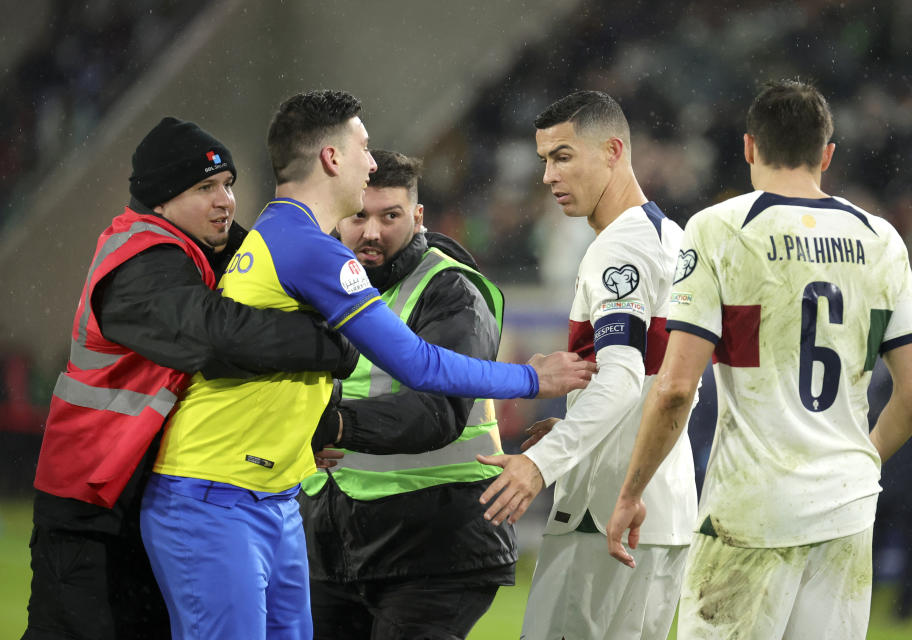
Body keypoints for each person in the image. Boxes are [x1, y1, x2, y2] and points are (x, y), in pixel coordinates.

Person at [139, 90, 595, 640]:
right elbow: (419, 364)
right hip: (216, 492)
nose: (371, 162)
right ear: (332, 159)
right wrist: (530, 378)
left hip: (272, 495)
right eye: (363, 147)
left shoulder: (280, 235)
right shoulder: (309, 249)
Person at [607, 80, 912, 640]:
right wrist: (856, 467)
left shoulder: (719, 229)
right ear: (826, 154)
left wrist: (631, 492)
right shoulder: (882, 240)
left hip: (750, 508)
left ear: (749, 147)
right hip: (847, 511)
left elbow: (677, 387)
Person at [22, 117, 358, 640]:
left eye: (228, 184)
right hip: (91, 508)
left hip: (149, 493)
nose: (225, 200)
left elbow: (293, 294)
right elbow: (221, 339)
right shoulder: (138, 258)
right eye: (205, 188)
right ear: (161, 199)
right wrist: (337, 345)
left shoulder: (210, 250)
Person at [477, 90, 698, 639]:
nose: (548, 176)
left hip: (606, 517)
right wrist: (578, 423)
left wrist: (541, 462)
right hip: (665, 510)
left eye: (564, 156)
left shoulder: (615, 252)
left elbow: (622, 377)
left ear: (613, 151)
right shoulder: (674, 238)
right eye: (544, 160)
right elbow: (657, 377)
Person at [299, 148, 517, 639]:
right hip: (333, 545)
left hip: (438, 545)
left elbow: (439, 411)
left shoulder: (451, 291)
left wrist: (333, 426)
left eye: (390, 216)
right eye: (359, 215)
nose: (371, 232)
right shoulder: (312, 286)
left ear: (418, 217)